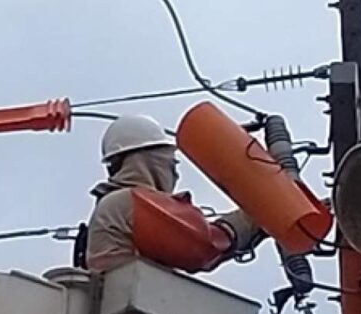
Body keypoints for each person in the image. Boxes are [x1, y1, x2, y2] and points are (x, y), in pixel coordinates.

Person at [85, 114, 262, 273]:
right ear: (151, 162)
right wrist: (258, 215)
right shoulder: (126, 202)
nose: (176, 175)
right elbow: (203, 245)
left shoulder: (113, 205)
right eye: (172, 164)